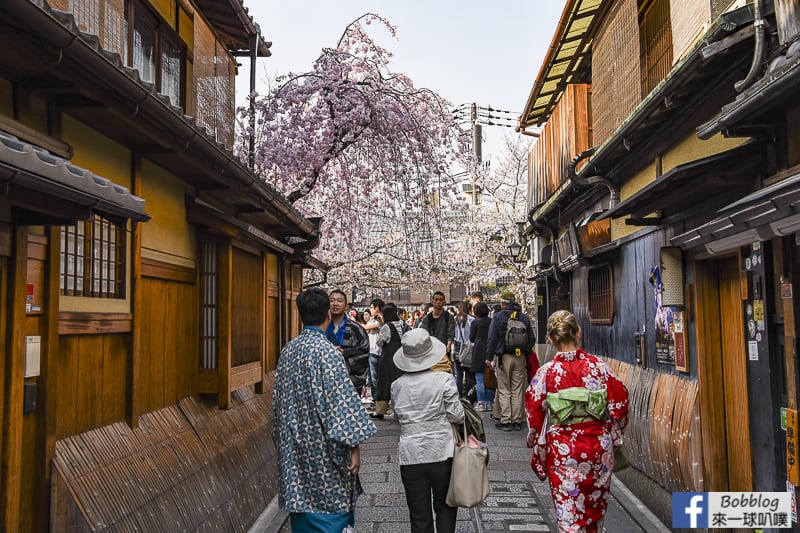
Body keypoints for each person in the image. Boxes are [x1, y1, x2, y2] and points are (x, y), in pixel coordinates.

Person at [273, 287, 378, 532]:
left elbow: (277, 404)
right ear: (328, 314)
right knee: (331, 508)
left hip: (294, 447)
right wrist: (354, 446)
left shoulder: (288, 351)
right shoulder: (329, 353)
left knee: (302, 505)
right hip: (323, 447)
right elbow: (342, 404)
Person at [525, 310, 629, 532]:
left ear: (551, 340)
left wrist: (535, 436)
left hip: (564, 451)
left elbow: (534, 412)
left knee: (569, 514)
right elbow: (620, 404)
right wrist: (613, 433)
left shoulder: (547, 372)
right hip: (597, 448)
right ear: (578, 333)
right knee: (594, 512)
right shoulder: (598, 367)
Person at [391, 328, 465, 533]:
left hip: (410, 454)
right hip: (442, 451)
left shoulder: (397, 386)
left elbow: (398, 417)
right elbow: (458, 415)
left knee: (419, 515)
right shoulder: (444, 380)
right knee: (445, 507)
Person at [486, 291, 535, 431]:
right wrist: (525, 351)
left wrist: (489, 357)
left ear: (502, 303)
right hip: (520, 357)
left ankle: (506, 420)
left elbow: (492, 338)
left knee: (504, 388)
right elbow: (532, 338)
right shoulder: (523, 317)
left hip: (504, 357)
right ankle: (517, 420)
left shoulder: (498, 317)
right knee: (517, 389)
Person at [326, 290, 371, 393]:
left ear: (345, 306)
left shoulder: (356, 328)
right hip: (326, 382)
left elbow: (364, 353)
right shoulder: (322, 328)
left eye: (339, 301)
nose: (335, 304)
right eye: (332, 301)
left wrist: (344, 353)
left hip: (351, 382)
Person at [371, 302, 410, 419]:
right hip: (401, 356)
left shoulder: (387, 327)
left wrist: (382, 326)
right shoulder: (402, 324)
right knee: (399, 382)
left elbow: (379, 342)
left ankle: (380, 410)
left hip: (388, 357)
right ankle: (400, 409)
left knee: (384, 382)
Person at [418, 291, 455, 372]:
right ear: (432, 301)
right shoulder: (427, 318)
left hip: (444, 351)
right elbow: (423, 333)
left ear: (444, 302)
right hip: (430, 352)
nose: (438, 302)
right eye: (436, 299)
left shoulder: (449, 317)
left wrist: (448, 345)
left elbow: (451, 332)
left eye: (441, 300)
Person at [469, 301, 494, 411]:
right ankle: (489, 402)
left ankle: (481, 402)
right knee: (490, 377)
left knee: (479, 379)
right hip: (490, 349)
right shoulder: (491, 321)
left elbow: (471, 338)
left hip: (478, 350)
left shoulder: (475, 322)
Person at [364, 298, 385, 402]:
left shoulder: (380, 320)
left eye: (372, 308)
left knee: (375, 378)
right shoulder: (374, 319)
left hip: (376, 351)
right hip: (370, 350)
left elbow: (366, 327)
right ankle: (374, 399)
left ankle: (379, 400)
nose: (370, 310)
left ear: (377, 308)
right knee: (371, 379)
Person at [453, 301, 474, 397]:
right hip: (468, 350)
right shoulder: (471, 320)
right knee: (469, 374)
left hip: (457, 348)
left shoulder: (455, 320)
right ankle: (469, 395)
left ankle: (459, 395)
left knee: (458, 374)